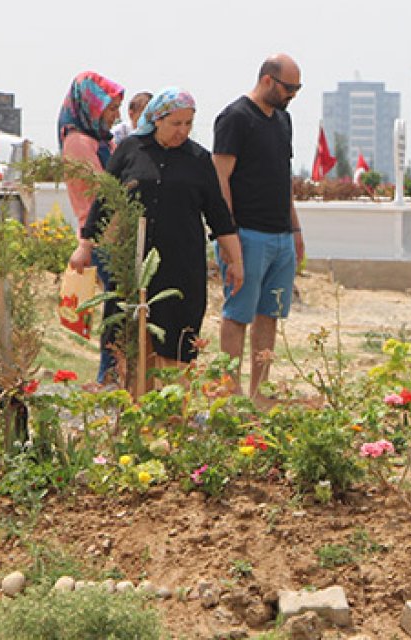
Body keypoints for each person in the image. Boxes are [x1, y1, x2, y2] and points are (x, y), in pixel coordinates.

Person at [70, 88, 242, 371]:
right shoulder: (130, 151)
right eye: (176, 123)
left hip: (181, 268)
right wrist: (85, 245)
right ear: (157, 119)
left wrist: (236, 261)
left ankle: (173, 411)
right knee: (127, 343)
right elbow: (104, 202)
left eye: (188, 124)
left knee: (176, 345)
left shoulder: (198, 160)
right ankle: (131, 408)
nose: (182, 131)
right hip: (132, 264)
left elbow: (220, 216)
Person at [213, 53, 304, 401]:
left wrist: (295, 230)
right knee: (238, 314)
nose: (293, 95)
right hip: (247, 234)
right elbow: (221, 177)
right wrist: (228, 234)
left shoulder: (283, 120)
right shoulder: (235, 118)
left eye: (298, 89)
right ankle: (229, 394)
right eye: (289, 88)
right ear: (268, 80)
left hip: (280, 235)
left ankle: (260, 394)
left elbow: (284, 180)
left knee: (270, 316)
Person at [58, 70, 123, 382]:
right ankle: (107, 376)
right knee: (116, 306)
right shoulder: (79, 143)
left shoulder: (101, 142)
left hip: (116, 236)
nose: (116, 116)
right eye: (111, 109)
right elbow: (101, 194)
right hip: (102, 238)